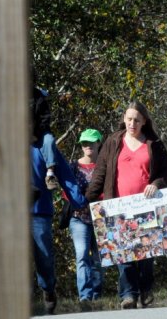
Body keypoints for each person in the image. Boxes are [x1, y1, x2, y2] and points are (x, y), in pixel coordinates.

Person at [86, 102, 167, 309]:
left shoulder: (154, 143)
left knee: (145, 254)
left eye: (136, 119)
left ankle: (145, 291)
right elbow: (100, 173)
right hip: (118, 208)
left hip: (146, 207)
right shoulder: (113, 142)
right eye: (129, 119)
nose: (132, 123)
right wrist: (86, 199)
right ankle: (128, 295)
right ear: (124, 119)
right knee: (123, 254)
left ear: (144, 121)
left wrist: (156, 183)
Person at [31, 87, 87, 316]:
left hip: (39, 212)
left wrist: (80, 203)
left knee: (43, 259)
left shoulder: (45, 148)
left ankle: (48, 289)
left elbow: (66, 176)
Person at [68, 129, 104, 302]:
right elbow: (65, 191)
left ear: (98, 143)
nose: (87, 146)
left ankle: (96, 295)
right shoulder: (73, 167)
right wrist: (79, 202)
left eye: (91, 142)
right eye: (84, 143)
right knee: (82, 254)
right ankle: (85, 296)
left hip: (101, 218)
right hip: (79, 218)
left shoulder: (105, 165)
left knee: (98, 258)